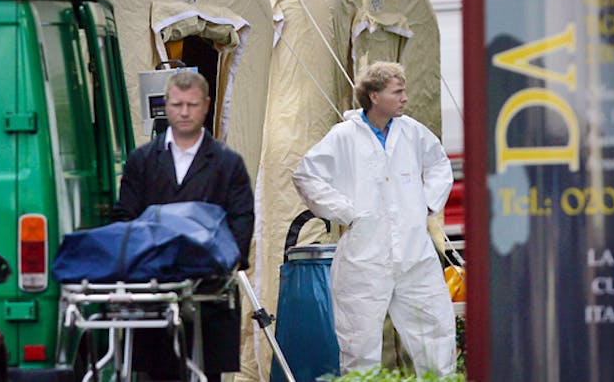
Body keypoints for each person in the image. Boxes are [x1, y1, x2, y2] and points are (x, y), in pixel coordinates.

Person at [292, 61, 456, 376]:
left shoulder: (412, 131)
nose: (405, 98)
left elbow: (439, 164)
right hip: (364, 257)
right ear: (375, 96)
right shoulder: (344, 136)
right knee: (359, 345)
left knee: (434, 334)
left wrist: (426, 203)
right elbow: (306, 175)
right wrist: (346, 211)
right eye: (397, 92)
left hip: (414, 253)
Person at [112, 69, 254, 382]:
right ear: (166, 105)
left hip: (209, 288)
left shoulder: (227, 163)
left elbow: (242, 217)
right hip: (153, 288)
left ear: (206, 106)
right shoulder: (142, 160)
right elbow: (126, 216)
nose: (185, 112)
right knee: (157, 372)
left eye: (192, 104)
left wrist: (228, 261)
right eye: (177, 105)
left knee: (206, 372)